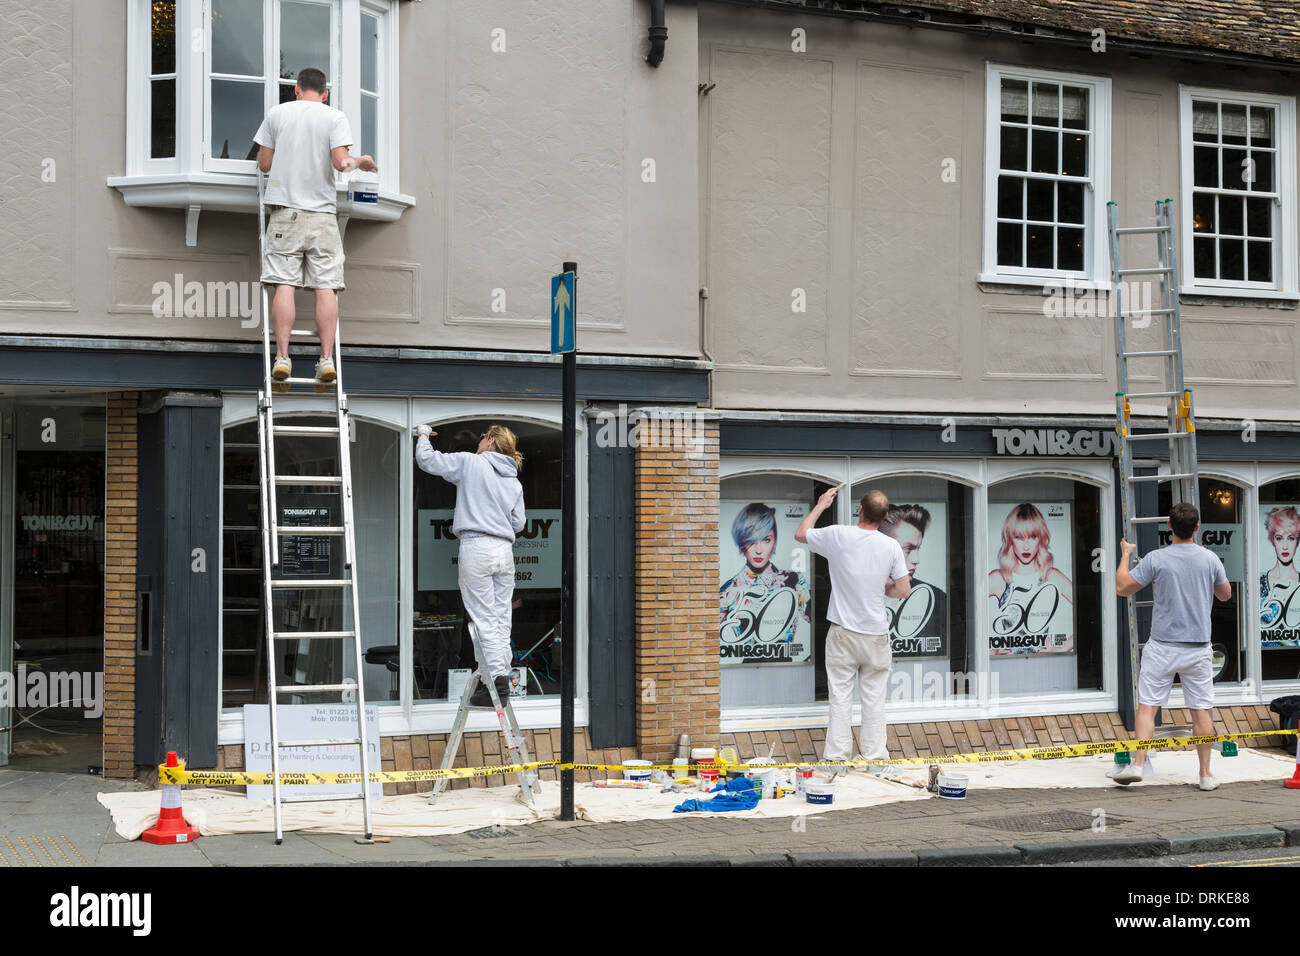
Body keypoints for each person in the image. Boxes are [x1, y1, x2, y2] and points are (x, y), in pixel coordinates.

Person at [254, 67, 377, 392]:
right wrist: (360, 162)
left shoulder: (277, 114)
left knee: (284, 284)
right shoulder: (334, 117)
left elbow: (264, 163)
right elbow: (341, 163)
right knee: (326, 287)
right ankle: (326, 359)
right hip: (322, 216)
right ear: (325, 93)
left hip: (285, 213)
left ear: (296, 89)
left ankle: (282, 358)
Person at [1114, 502, 1232, 789]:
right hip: (1198, 648)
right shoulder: (1210, 559)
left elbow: (1122, 587)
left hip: (1163, 647)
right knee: (1200, 712)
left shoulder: (1157, 558)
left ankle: (1139, 765)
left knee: (1147, 708)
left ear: (1168, 526)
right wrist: (1209, 584)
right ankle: (1205, 775)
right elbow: (1226, 595)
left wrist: (1125, 556)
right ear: (1197, 527)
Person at [795, 487, 910, 766]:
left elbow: (801, 533)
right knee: (874, 701)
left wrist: (822, 505)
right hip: (875, 634)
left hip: (843, 633)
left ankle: (836, 759)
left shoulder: (839, 535)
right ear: (884, 517)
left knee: (840, 698)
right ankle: (874, 760)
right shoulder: (891, 546)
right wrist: (884, 589)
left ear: (860, 509)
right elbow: (904, 590)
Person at [415, 424, 525, 707]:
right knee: (501, 619)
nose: (479, 441)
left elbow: (428, 460)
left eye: (482, 437)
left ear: (491, 442)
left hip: (477, 546)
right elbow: (519, 523)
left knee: (483, 620)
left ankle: (496, 686)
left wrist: (424, 434)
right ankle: (500, 680)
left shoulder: (471, 463)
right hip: (504, 550)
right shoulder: (513, 480)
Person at [719, 503, 811, 647]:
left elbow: (819, 619)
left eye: (766, 540)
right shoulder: (728, 589)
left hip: (787, 664)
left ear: (774, 543)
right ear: (742, 543)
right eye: (752, 541)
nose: (759, 550)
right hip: (746, 663)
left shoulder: (793, 580)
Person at [987, 502, 1074, 651]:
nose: (1026, 546)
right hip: (1006, 666)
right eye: (1019, 537)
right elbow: (967, 618)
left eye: (1033, 537)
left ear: (1040, 538)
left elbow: (1087, 611)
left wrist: (1061, 648)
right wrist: (992, 650)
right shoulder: (999, 579)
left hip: (1043, 665)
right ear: (1010, 540)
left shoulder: (1051, 576)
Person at [879, 504, 948, 649]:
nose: (917, 559)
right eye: (908, 549)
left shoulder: (936, 600)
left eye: (918, 548)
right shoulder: (856, 593)